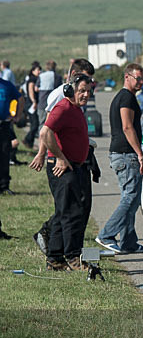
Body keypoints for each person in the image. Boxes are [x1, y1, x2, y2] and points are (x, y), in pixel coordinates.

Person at [31, 59, 97, 256]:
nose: (86, 91)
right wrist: (44, 154)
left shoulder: (76, 101)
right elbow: (47, 128)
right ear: (72, 78)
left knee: (77, 207)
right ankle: (56, 247)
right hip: (62, 161)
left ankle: (61, 253)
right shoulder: (62, 98)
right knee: (68, 210)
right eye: (83, 83)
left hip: (77, 160)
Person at [95, 63, 143, 254]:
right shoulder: (126, 98)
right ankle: (107, 235)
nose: (141, 82)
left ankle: (128, 242)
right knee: (131, 198)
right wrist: (140, 154)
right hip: (126, 154)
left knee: (131, 199)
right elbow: (127, 127)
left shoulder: (126, 97)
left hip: (123, 154)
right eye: (138, 78)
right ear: (127, 77)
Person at [0, 77, 22, 195]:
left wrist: (17, 116)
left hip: (3, 125)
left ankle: (4, 186)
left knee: (4, 154)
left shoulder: (7, 85)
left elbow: (20, 98)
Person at [23, 62, 41, 148]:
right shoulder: (32, 79)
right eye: (38, 70)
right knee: (35, 124)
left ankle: (30, 143)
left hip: (32, 104)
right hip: (30, 104)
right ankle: (27, 140)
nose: (39, 71)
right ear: (33, 70)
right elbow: (30, 91)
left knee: (35, 124)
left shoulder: (35, 78)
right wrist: (34, 101)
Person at [36, 60, 57, 132]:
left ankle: (41, 142)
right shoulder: (57, 76)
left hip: (42, 102)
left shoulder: (41, 76)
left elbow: (36, 88)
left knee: (42, 124)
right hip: (53, 104)